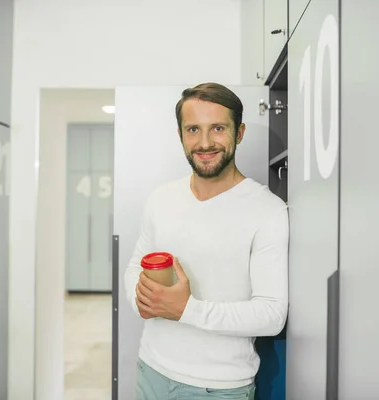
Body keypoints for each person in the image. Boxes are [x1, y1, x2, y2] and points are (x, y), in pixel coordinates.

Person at [124, 82, 289, 400]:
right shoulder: (161, 199)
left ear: (238, 133)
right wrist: (142, 300)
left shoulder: (268, 210)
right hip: (151, 370)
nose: (204, 142)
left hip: (218, 386)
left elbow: (271, 315)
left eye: (217, 128)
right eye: (193, 129)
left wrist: (186, 309)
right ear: (181, 135)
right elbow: (136, 265)